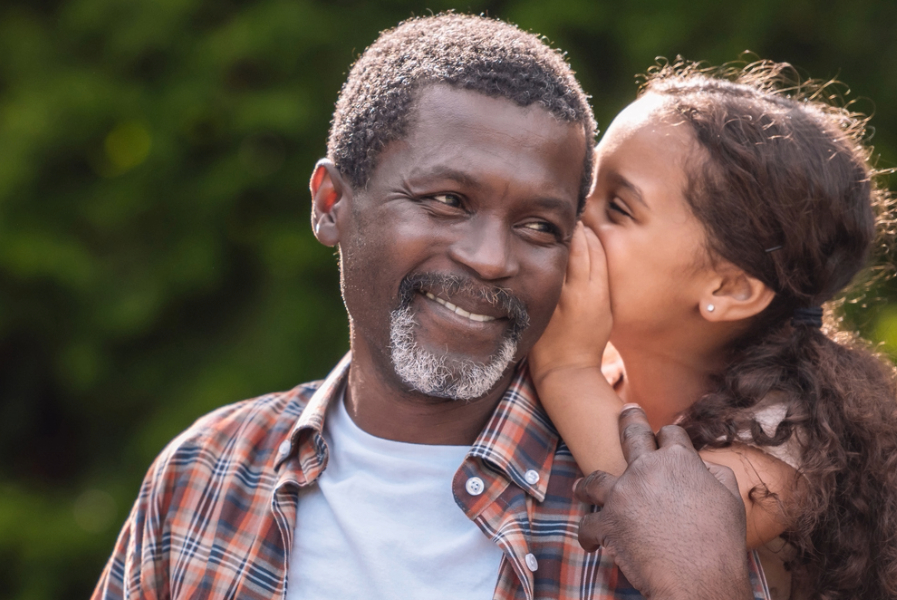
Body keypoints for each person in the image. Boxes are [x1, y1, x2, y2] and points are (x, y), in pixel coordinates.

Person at [93, 15, 765, 600]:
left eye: (539, 226)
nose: (490, 258)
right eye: (448, 201)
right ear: (331, 204)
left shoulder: (652, 515)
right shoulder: (203, 477)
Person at [528, 62, 897, 599]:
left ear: (730, 289)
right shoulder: (599, 371)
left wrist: (567, 369)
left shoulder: (789, 436)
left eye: (617, 207)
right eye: (586, 184)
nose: (573, 212)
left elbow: (661, 522)